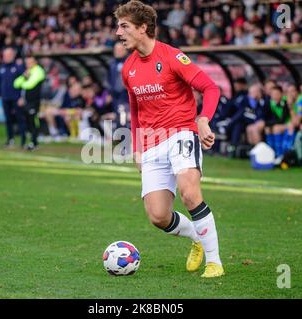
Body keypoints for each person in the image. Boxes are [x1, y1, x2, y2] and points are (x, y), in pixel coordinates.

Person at [115, 0, 223, 278]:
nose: (118, 32)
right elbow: (136, 110)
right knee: (158, 216)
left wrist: (203, 119)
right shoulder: (128, 69)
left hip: (181, 133)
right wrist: (138, 148)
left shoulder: (173, 57)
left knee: (189, 192)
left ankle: (215, 262)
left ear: (143, 28)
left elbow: (210, 88)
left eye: (124, 26)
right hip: (151, 143)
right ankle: (198, 238)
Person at [0, 47, 25, 148]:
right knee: (8, 120)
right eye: (5, 55)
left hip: (16, 98)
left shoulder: (18, 67)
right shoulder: (1, 68)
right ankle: (10, 139)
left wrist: (21, 97)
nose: (6, 57)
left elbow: (24, 83)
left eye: (8, 55)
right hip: (5, 98)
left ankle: (23, 140)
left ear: (13, 55)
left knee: (20, 119)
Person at [13, 55, 45, 151]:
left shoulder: (38, 71)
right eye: (27, 63)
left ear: (35, 62)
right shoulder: (28, 71)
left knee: (33, 121)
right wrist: (24, 76)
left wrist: (24, 80)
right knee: (28, 122)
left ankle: (34, 142)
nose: (28, 64)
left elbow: (30, 85)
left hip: (34, 102)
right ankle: (32, 142)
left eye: (30, 62)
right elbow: (15, 83)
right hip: (26, 102)